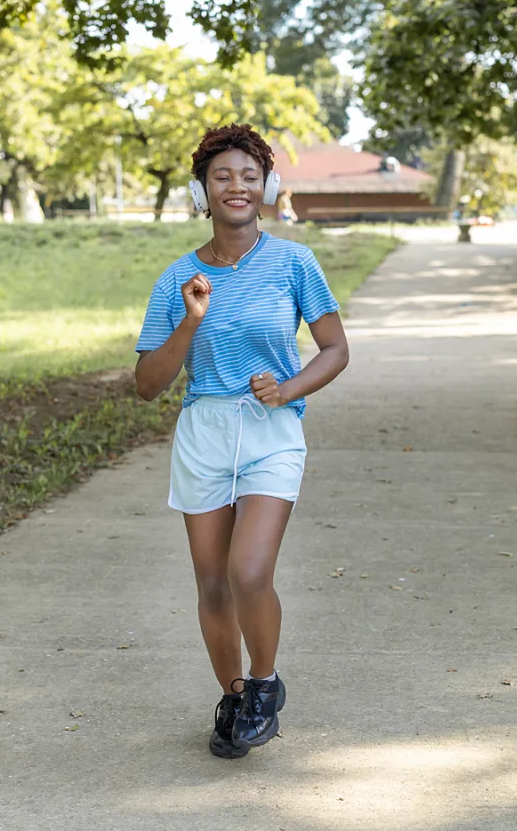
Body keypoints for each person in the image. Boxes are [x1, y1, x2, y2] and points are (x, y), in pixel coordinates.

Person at [133, 124, 350, 759]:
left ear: (267, 187)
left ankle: (262, 685)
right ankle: (233, 698)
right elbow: (147, 384)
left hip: (270, 431)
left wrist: (288, 388)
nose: (236, 186)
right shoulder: (178, 277)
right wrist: (191, 319)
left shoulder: (294, 263)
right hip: (203, 434)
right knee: (213, 586)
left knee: (249, 572)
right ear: (200, 190)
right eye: (222, 176)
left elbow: (335, 349)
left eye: (249, 176)